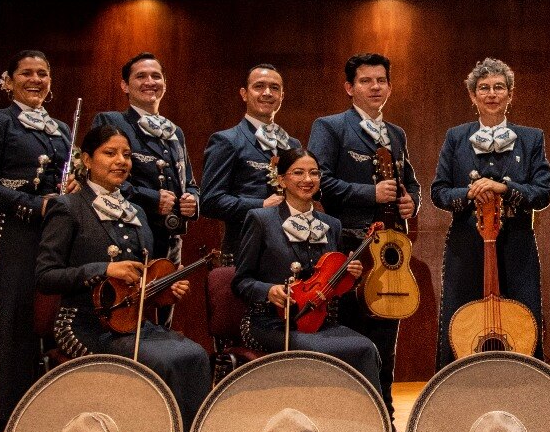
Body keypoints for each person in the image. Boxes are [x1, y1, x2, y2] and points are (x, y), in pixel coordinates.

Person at [36, 124, 212, 432]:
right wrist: (103, 269)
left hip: (132, 325)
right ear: (86, 160)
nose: (121, 161)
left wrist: (162, 290)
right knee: (158, 362)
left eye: (127, 155)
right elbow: (45, 276)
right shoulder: (68, 207)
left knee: (196, 355)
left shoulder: (136, 212)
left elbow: (139, 279)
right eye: (110, 153)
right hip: (83, 325)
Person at [307, 52, 421, 432]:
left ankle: (384, 423)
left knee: (385, 341)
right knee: (351, 339)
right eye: (367, 81)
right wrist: (368, 192)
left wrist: (411, 202)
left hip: (389, 251)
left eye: (381, 81)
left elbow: (411, 183)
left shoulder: (397, 134)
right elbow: (316, 182)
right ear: (349, 87)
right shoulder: (330, 127)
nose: (375, 87)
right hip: (349, 248)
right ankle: (349, 428)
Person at [0, 50, 74, 432]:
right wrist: (34, 203)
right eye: (26, 73)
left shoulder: (62, 129)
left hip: (54, 237)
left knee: (47, 324)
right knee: (9, 327)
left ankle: (40, 422)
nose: (35, 80)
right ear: (7, 81)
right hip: (12, 233)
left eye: (42, 74)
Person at [430, 58, 550, 368]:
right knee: (460, 319)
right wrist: (470, 192)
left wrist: (505, 189)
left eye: (499, 87)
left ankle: (526, 384)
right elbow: (439, 192)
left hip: (517, 246)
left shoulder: (531, 137)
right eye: (483, 88)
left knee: (523, 321)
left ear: (510, 95)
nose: (492, 93)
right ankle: (453, 386)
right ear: (472, 96)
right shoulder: (456, 137)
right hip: (466, 246)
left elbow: (542, 193)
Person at [231, 148, 383, 389]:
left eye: (314, 173)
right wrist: (269, 290)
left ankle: (373, 422)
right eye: (298, 173)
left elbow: (332, 286)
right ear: (282, 180)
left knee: (366, 349)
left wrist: (350, 276)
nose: (307, 179)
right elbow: (241, 281)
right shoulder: (260, 219)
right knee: (317, 352)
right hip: (270, 322)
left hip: (319, 322)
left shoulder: (332, 225)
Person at [91, 53, 198, 264]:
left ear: (165, 85)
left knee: (167, 297)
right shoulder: (112, 121)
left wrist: (193, 200)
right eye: (141, 76)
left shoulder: (175, 131)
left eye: (156, 76)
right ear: (125, 86)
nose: (150, 82)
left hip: (171, 240)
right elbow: (101, 179)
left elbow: (190, 184)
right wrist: (152, 199)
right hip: (127, 236)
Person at [201, 63, 302, 260]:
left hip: (291, 248)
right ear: (244, 93)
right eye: (259, 86)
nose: (267, 93)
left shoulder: (292, 144)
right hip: (245, 248)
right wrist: (261, 204)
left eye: (275, 88)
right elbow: (209, 202)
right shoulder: (226, 140)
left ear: (282, 95)